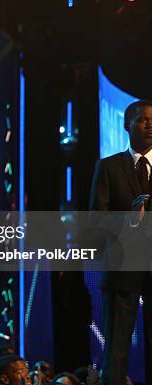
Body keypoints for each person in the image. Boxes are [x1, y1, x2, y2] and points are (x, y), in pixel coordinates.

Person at [89, 100, 152, 384]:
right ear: (127, 125)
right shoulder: (108, 167)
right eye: (142, 119)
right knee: (115, 352)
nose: (149, 125)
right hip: (121, 269)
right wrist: (129, 220)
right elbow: (96, 221)